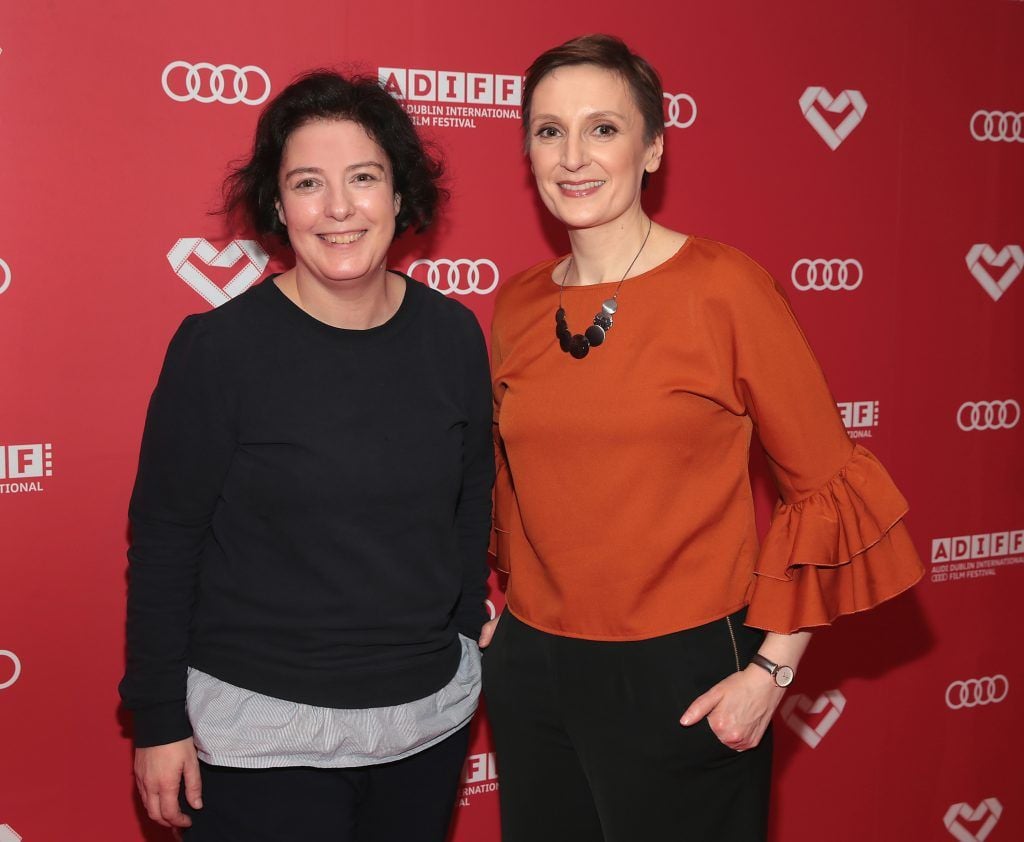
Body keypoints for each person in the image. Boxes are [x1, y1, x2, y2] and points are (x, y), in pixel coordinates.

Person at [480, 34, 924, 842]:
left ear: (653, 147)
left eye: (603, 129)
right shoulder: (515, 306)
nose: (573, 156)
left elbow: (824, 482)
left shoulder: (724, 288)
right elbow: (513, 484)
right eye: (549, 131)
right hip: (532, 670)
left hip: (682, 672)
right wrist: (500, 628)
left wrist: (771, 670)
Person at [119, 71, 494, 841]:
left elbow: (469, 503)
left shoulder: (453, 337)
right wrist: (158, 719)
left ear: (399, 194)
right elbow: (164, 543)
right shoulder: (219, 352)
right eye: (308, 183)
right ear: (279, 205)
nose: (338, 208)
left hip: (425, 722)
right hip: (262, 736)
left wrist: (458, 639)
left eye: (363, 178)